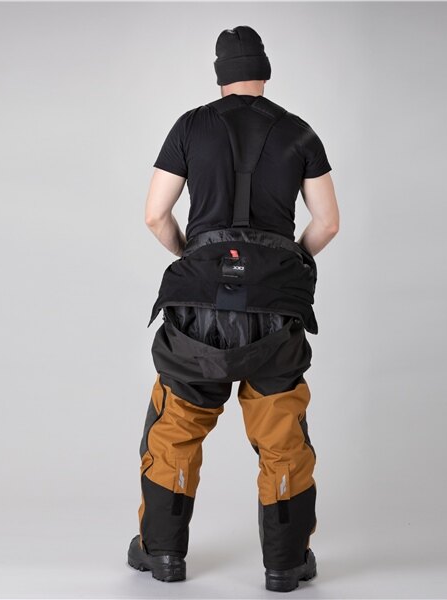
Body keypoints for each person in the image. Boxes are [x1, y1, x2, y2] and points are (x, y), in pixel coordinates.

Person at [127, 25, 340, 593]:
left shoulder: (189, 126)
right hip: (274, 307)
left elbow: (154, 215)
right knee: (282, 435)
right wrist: (290, 262)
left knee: (176, 426)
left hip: (198, 304)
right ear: (264, 72)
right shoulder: (299, 132)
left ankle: (162, 554)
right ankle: (285, 564)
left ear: (220, 75)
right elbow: (327, 224)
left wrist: (192, 256)